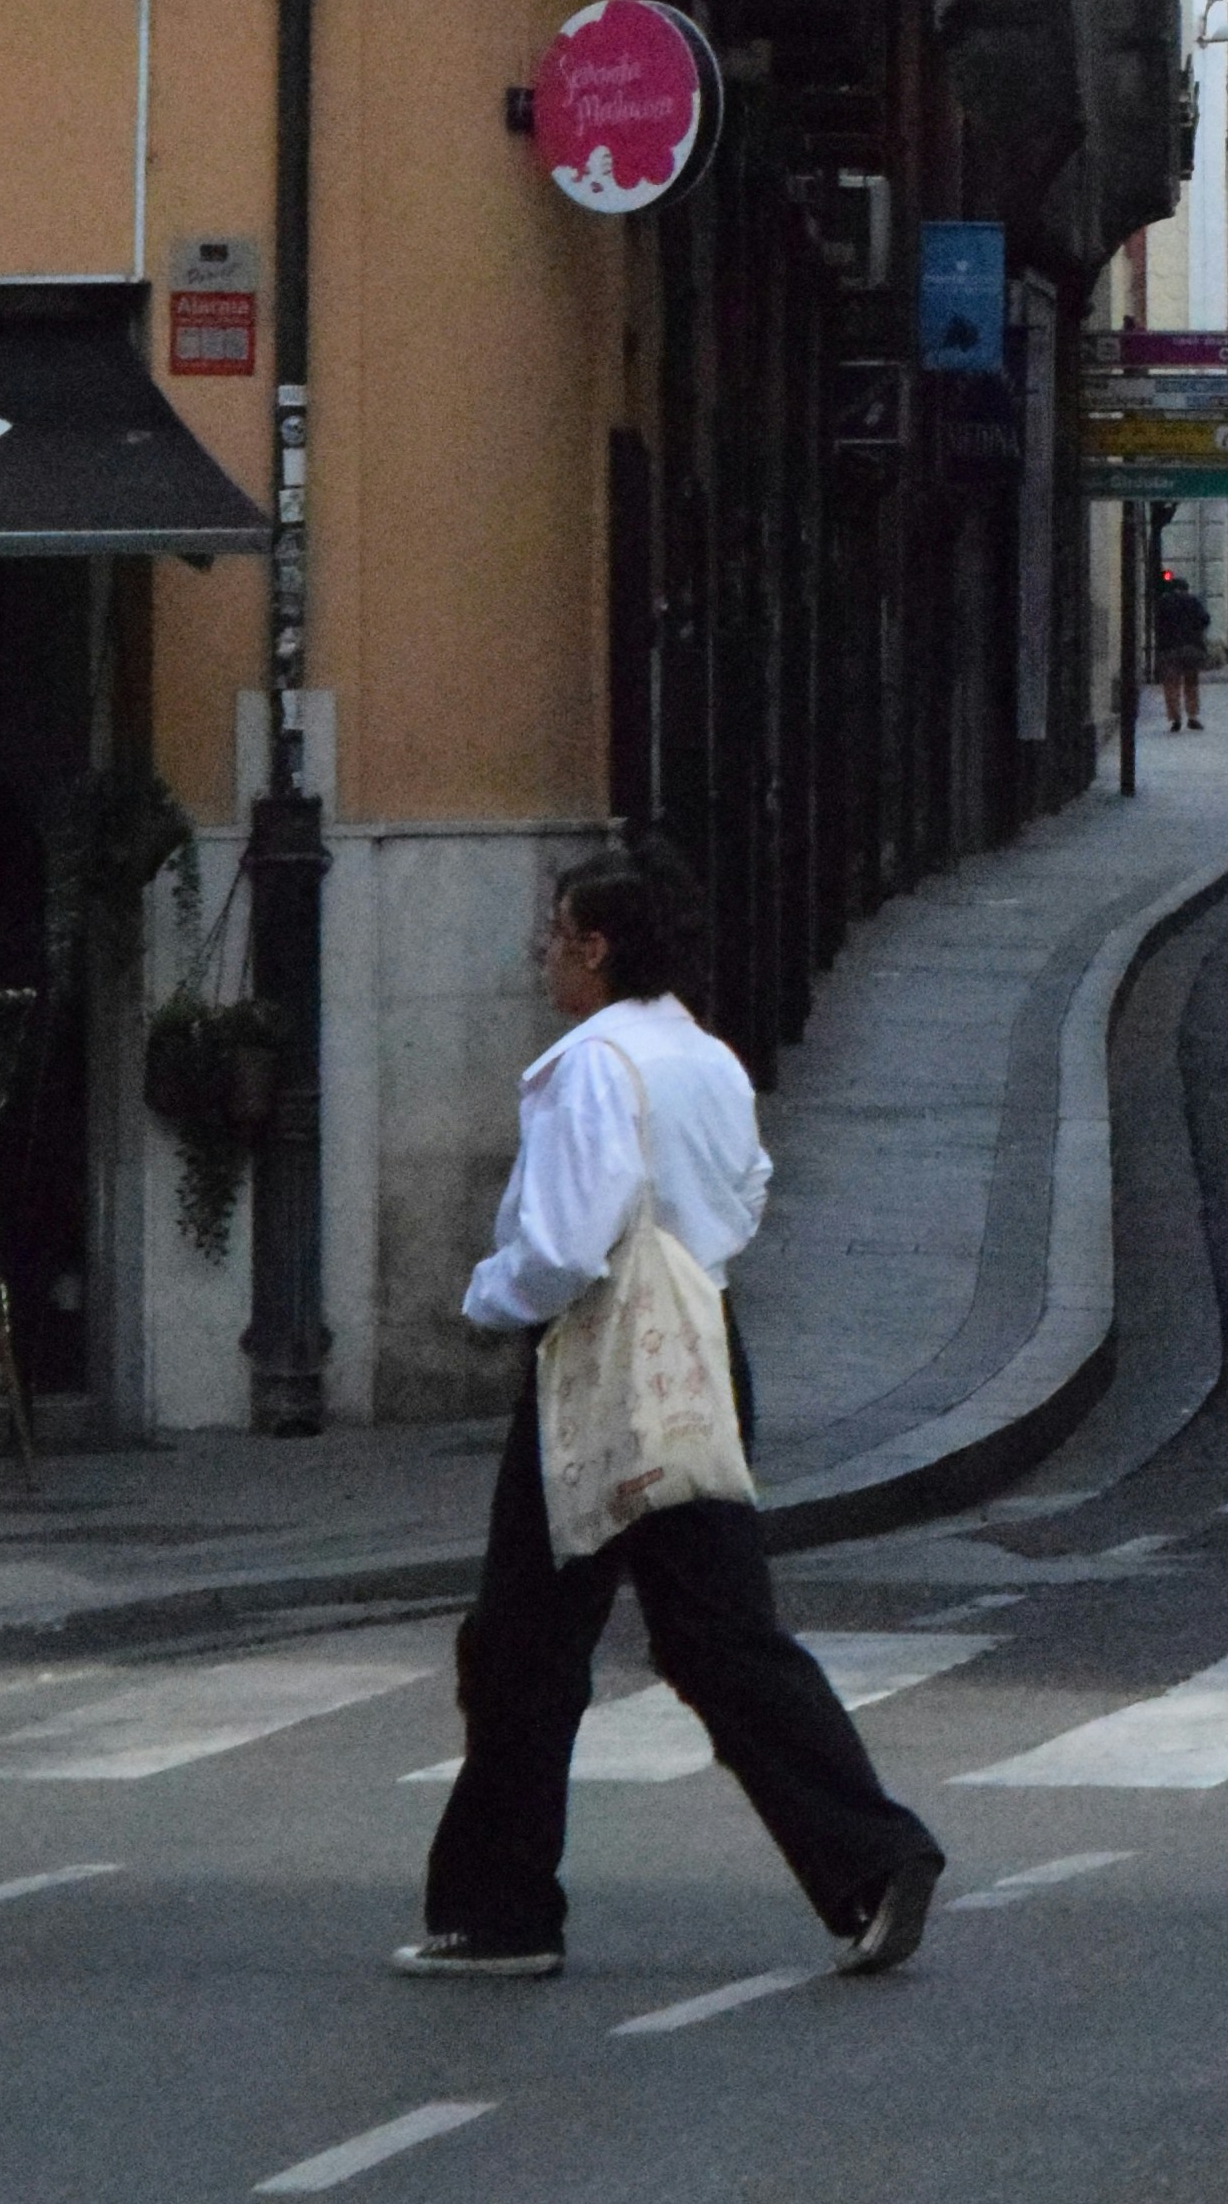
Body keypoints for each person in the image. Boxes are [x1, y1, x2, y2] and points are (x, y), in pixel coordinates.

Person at [402, 837, 946, 1984]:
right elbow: (746, 1192)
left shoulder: (589, 1066)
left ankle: (502, 1911)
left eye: (554, 937)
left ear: (595, 949)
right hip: (700, 1351)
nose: (544, 959)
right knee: (721, 1635)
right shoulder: (704, 1057)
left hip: (600, 1365)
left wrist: (487, 1294)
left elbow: (559, 1247)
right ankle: (868, 1854)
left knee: (523, 1646)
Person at [1152, 560, 1210, 732]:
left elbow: (1157, 624)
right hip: (1191, 647)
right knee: (1191, 682)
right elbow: (1205, 620)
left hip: (1169, 649)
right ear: (1186, 589)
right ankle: (1192, 716)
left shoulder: (1164, 602)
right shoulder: (1193, 601)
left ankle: (1175, 717)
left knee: (1171, 683)